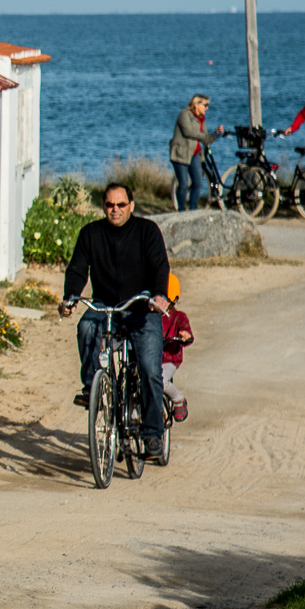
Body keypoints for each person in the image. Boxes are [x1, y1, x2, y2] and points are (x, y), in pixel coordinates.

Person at [60, 182, 169, 452]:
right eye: (110, 205)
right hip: (105, 307)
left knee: (150, 370)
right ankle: (91, 388)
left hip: (142, 309)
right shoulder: (90, 233)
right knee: (86, 327)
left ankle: (153, 433)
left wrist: (159, 295)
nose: (115, 210)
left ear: (131, 205)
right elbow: (76, 270)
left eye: (121, 205)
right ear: (103, 207)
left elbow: (159, 266)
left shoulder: (147, 231)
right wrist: (71, 297)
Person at [169, 94, 225, 211]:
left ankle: (193, 209)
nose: (207, 108)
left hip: (194, 154)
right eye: (205, 105)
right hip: (180, 154)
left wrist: (215, 134)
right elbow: (188, 132)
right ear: (196, 104)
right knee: (183, 184)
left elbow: (205, 140)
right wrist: (205, 135)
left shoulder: (201, 119)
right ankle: (181, 210)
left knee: (198, 183)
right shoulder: (184, 114)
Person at [156, 272, 192, 422]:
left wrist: (185, 335)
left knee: (161, 380)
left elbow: (187, 332)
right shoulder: (150, 316)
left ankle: (178, 399)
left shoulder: (179, 317)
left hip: (169, 359)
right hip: (151, 358)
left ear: (174, 299)